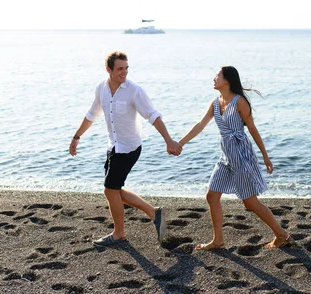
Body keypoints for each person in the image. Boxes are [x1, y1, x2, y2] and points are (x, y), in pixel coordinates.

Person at [69, 51, 182, 246]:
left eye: (126, 68)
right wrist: (77, 137)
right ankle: (154, 213)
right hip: (113, 146)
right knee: (114, 190)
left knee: (110, 190)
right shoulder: (101, 89)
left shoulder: (134, 90)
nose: (124, 72)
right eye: (120, 69)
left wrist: (168, 140)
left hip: (129, 148)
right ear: (109, 69)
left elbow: (153, 116)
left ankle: (119, 234)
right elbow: (91, 115)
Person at [178, 66, 292, 250]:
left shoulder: (240, 102)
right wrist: (180, 143)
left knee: (250, 202)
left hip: (241, 156)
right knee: (212, 195)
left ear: (227, 80)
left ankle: (282, 234)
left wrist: (265, 157)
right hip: (225, 156)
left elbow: (252, 129)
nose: (214, 78)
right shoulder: (215, 103)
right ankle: (218, 241)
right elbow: (200, 125)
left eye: (217, 75)